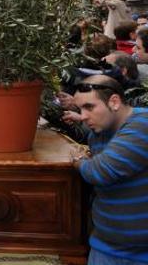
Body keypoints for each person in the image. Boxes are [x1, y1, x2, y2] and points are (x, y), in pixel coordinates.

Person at [67, 75, 148, 263]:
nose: (83, 116)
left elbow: (101, 172)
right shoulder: (97, 135)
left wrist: (79, 160)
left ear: (114, 101)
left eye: (89, 107)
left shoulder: (142, 124)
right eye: (80, 109)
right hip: (104, 248)